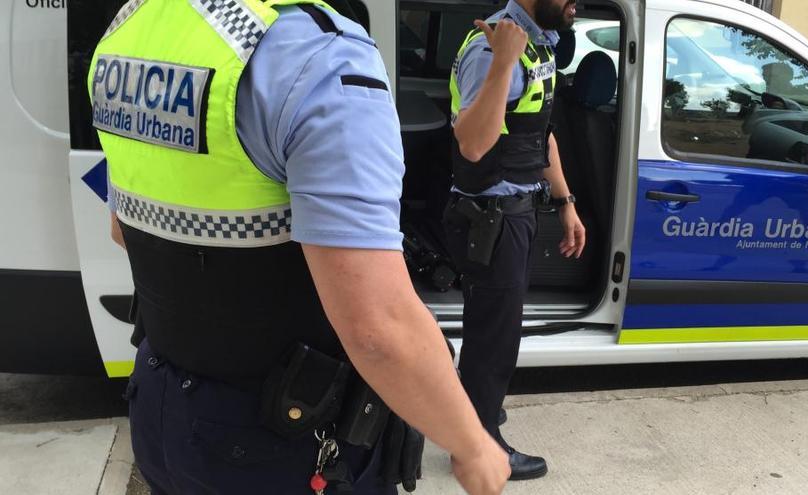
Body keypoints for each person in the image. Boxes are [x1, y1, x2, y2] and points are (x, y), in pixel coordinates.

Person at [90, 0, 509, 493]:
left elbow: (124, 228)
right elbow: (377, 328)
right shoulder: (320, 58)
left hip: (161, 409)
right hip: (281, 434)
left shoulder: (132, 28)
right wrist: (473, 445)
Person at [444, 0, 585, 481]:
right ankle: (478, 446)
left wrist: (566, 202)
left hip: (516, 213)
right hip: (490, 219)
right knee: (493, 339)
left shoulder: (536, 47)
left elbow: (540, 135)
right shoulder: (492, 50)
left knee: (499, 330)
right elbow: (473, 143)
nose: (575, 4)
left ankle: (478, 410)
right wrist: (502, 59)